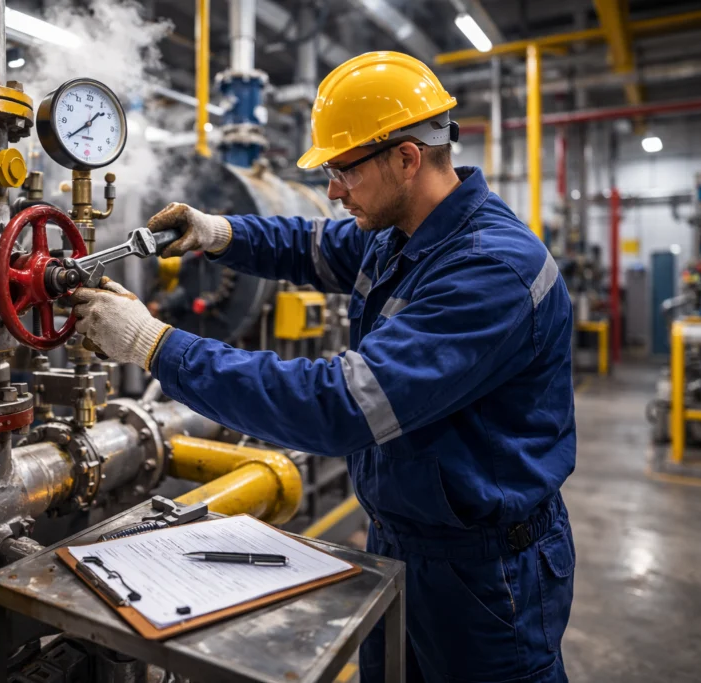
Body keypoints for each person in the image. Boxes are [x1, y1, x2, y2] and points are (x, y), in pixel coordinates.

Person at [70, 51, 576, 683]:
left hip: (488, 573)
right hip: (402, 540)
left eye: (342, 170)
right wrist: (218, 230)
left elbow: (341, 405)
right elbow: (308, 245)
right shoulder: (405, 233)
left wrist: (155, 345)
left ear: (406, 157)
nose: (333, 189)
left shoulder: (489, 271)